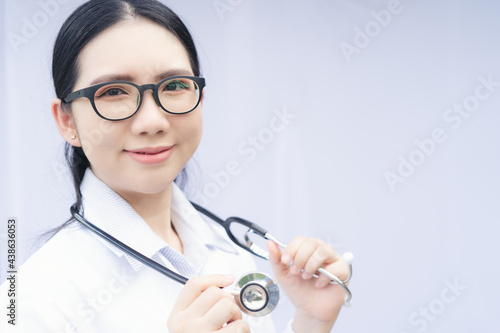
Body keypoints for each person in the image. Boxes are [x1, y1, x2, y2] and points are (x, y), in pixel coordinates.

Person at [1, 0, 349, 332]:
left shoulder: (226, 252)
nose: (152, 121)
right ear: (67, 121)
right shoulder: (28, 299)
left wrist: (310, 322)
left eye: (175, 85)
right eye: (113, 92)